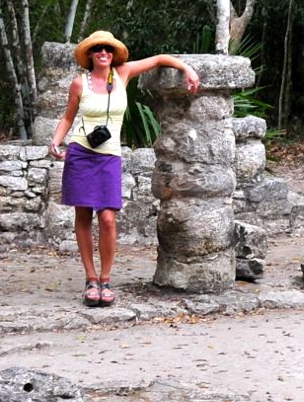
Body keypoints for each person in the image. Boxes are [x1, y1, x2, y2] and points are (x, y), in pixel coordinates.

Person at [48, 30, 200, 306]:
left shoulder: (123, 73)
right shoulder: (79, 83)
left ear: (113, 53)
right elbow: (68, 117)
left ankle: (106, 279)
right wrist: (56, 142)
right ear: (90, 55)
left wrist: (186, 68)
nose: (103, 52)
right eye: (97, 49)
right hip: (81, 153)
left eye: (107, 48)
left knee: (107, 218)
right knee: (83, 215)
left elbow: (159, 59)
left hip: (109, 157)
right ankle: (91, 278)